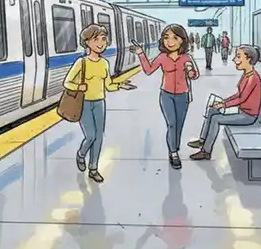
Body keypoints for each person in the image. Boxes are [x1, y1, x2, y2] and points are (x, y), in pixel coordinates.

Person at [63, 24, 136, 183]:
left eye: (103, 39)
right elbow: (67, 83)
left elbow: (108, 85)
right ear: (87, 42)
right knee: (90, 136)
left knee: (99, 137)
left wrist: (120, 85)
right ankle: (81, 154)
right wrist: (78, 87)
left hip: (99, 103)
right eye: (96, 39)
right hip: (84, 103)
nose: (101, 43)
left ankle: (93, 168)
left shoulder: (104, 63)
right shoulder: (81, 63)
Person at [134, 23, 198, 170]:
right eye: (166, 38)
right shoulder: (162, 57)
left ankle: (174, 147)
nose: (170, 41)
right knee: (172, 124)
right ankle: (174, 153)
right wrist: (141, 54)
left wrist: (191, 72)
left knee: (179, 125)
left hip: (183, 95)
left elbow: (195, 75)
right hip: (166, 95)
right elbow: (149, 70)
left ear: (182, 40)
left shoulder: (186, 57)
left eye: (175, 38)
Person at [188, 45, 261, 160]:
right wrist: (223, 102)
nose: (234, 60)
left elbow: (241, 99)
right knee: (212, 110)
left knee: (216, 119)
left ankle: (206, 151)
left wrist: (223, 105)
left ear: (248, 59)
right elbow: (238, 94)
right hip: (243, 113)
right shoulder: (247, 75)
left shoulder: (253, 78)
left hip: (248, 116)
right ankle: (202, 140)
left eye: (238, 57)